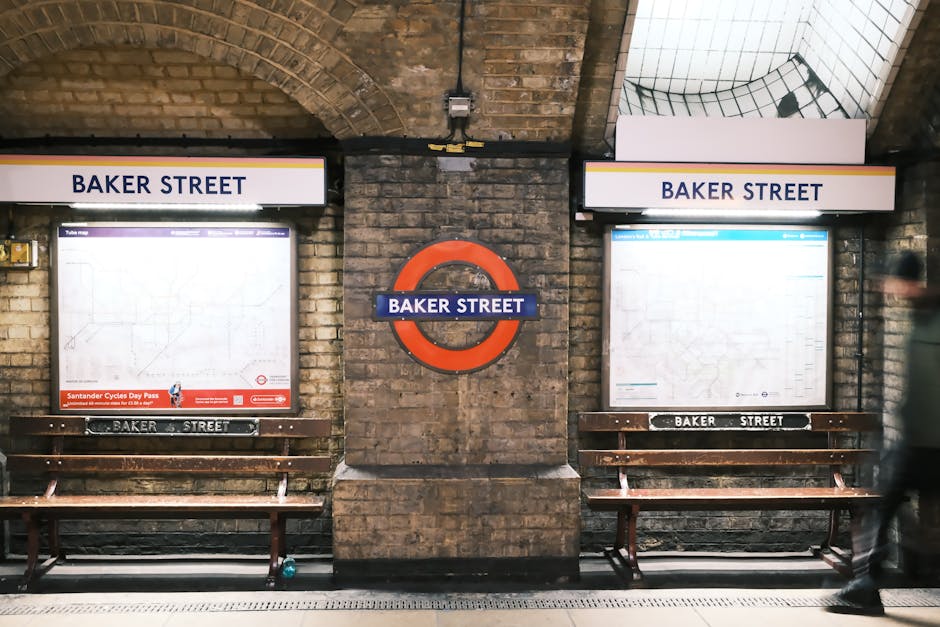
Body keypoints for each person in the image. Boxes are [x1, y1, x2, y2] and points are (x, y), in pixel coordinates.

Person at [828, 250, 940, 615]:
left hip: (930, 443)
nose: (888, 291)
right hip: (915, 441)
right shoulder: (921, 317)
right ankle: (865, 585)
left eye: (891, 283)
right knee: (882, 506)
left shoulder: (933, 318)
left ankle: (865, 585)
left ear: (906, 282)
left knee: (884, 507)